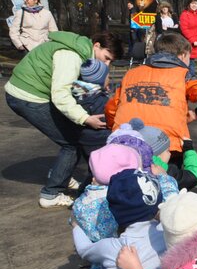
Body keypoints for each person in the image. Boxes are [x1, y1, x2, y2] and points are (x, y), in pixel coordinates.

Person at [5, 30, 123, 208]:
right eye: (106, 58)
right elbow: (61, 95)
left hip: (31, 91)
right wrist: (85, 118)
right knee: (72, 142)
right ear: (96, 45)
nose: (106, 64)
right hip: (27, 96)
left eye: (110, 62)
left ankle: (63, 174)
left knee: (73, 132)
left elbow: (73, 86)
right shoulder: (71, 56)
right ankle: (51, 193)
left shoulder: (80, 49)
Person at [106, 32, 197, 163]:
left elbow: (111, 108)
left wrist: (114, 128)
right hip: (166, 143)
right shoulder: (183, 75)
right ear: (183, 55)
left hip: (127, 139)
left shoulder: (131, 74)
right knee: (167, 179)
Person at [131, 117, 197, 191]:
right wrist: (189, 149)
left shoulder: (128, 169)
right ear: (157, 155)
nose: (170, 154)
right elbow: (195, 176)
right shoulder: (166, 172)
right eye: (168, 150)